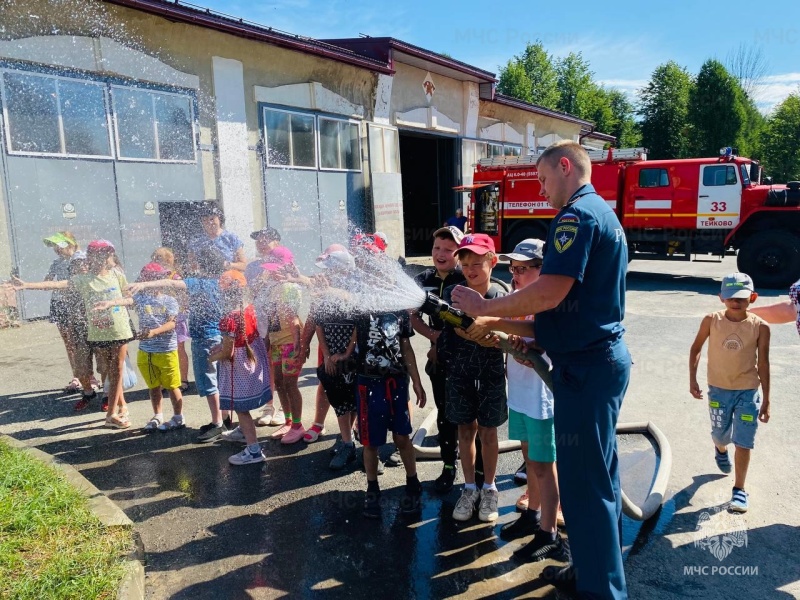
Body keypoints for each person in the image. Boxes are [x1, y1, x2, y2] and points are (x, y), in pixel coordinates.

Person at [451, 141, 631, 598]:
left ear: (566, 167)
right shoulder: (601, 214)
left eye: (545, 179)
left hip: (585, 369)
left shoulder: (575, 216)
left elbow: (548, 293)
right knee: (595, 482)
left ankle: (601, 591)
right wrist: (489, 320)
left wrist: (483, 304)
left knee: (587, 488)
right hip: (591, 363)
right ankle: (591, 570)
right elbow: (555, 313)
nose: (543, 189)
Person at [478, 239, 565, 561]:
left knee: (545, 467)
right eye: (512, 269)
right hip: (521, 395)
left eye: (523, 269)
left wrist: (529, 345)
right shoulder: (517, 299)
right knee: (531, 463)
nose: (515, 274)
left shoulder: (549, 301)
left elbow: (545, 337)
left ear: (544, 270)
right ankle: (533, 515)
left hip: (542, 399)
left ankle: (548, 532)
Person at [14, 240, 135, 428]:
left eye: (105, 254)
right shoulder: (83, 280)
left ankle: (114, 412)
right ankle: (115, 412)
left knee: (116, 370)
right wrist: (26, 285)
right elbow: (57, 284)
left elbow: (130, 299)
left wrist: (113, 303)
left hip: (120, 329)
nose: (103, 258)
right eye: (98, 254)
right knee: (112, 372)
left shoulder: (117, 275)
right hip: (99, 332)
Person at [127, 245, 232, 442]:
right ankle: (224, 419)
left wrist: (144, 285)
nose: (192, 262)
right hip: (218, 335)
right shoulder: (220, 282)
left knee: (208, 381)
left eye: (195, 259)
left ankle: (218, 423)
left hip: (204, 339)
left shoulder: (199, 283)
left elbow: (173, 284)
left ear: (202, 263)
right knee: (218, 379)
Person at [689, 272, 771, 512]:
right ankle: (720, 449)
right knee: (720, 435)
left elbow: (763, 363)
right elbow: (696, 348)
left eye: (742, 298)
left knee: (744, 441)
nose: (736, 302)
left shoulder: (761, 327)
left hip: (748, 392)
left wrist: (767, 399)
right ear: (721, 297)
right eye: (731, 297)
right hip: (718, 391)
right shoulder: (710, 320)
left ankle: (739, 490)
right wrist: (692, 379)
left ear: (752, 298)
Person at [440, 233, 507, 523]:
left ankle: (489, 489)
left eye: (477, 263)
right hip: (459, 375)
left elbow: (508, 334)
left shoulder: (502, 296)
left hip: (491, 376)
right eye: (465, 263)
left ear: (492, 262)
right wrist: (473, 332)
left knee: (489, 433)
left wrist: (492, 335)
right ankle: (469, 489)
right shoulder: (453, 293)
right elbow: (452, 325)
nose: (470, 269)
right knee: (465, 431)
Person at [410, 226, 469, 493]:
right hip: (439, 362)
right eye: (436, 248)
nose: (441, 254)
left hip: (467, 361)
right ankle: (448, 468)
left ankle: (478, 473)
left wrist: (441, 341)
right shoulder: (423, 279)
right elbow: (411, 317)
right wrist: (434, 337)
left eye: (448, 249)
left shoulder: (467, 278)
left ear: (459, 253)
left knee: (470, 419)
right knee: (445, 415)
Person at [354, 304, 427, 518]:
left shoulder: (400, 311)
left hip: (396, 381)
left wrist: (416, 381)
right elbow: (352, 341)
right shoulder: (359, 308)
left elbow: (406, 347)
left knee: (402, 436)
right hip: (367, 383)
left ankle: (413, 481)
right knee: (370, 442)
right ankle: (372, 488)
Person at [94, 262, 185, 432]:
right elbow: (127, 300)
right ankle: (158, 415)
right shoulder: (141, 298)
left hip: (166, 351)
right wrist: (110, 303)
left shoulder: (169, 300)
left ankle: (178, 417)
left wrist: (153, 332)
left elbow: (173, 323)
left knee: (172, 386)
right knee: (153, 386)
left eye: (157, 278)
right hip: (146, 351)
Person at [209, 270, 273, 465]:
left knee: (240, 408)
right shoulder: (250, 309)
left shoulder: (229, 318)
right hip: (252, 361)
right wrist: (223, 346)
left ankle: (253, 450)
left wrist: (212, 357)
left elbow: (228, 353)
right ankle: (243, 431)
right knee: (243, 406)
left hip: (239, 369)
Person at [309, 245, 360, 469]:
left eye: (330, 269)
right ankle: (347, 442)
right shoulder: (321, 294)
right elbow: (318, 325)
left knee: (356, 400)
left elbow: (360, 325)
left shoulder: (354, 290)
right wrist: (327, 355)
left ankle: (356, 443)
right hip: (332, 356)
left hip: (353, 355)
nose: (326, 273)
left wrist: (347, 352)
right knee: (339, 400)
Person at [40, 232, 99, 392]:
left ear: (70, 244)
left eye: (58, 246)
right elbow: (48, 281)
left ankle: (90, 376)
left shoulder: (81, 258)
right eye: (54, 247)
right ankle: (77, 376)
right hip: (60, 304)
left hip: (79, 304)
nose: (56, 249)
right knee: (69, 343)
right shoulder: (57, 262)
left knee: (85, 342)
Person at [259, 254, 306, 444]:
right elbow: (271, 320)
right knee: (278, 382)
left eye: (272, 269)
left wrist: (299, 344)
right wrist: (267, 343)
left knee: (290, 384)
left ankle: (297, 425)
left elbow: (293, 317)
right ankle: (287, 421)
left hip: (290, 342)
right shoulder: (271, 290)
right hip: (277, 342)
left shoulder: (289, 288)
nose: (268, 273)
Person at [151, 247, 190, 392]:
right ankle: (164, 380)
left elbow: (184, 296)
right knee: (163, 349)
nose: (156, 260)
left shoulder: (174, 276)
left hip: (177, 317)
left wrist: (183, 308)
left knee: (179, 348)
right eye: (154, 257)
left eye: (159, 258)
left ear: (169, 260)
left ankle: (183, 379)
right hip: (161, 317)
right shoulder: (153, 276)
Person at [189, 202, 247, 272]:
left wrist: (226, 264)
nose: (209, 223)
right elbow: (191, 266)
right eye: (205, 220)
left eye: (212, 219)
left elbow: (244, 266)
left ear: (220, 218)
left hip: (227, 279)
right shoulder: (196, 241)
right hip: (205, 279)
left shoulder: (231, 238)